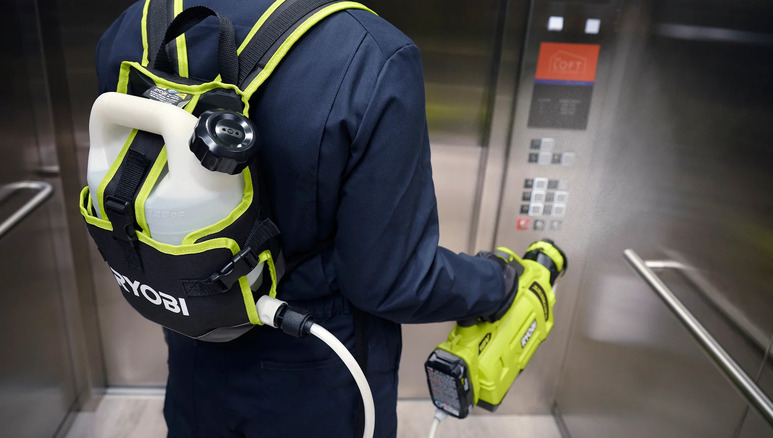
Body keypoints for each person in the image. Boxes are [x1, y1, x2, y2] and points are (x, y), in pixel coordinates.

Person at [95, 1, 516, 436]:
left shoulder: (140, 22)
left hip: (193, 334)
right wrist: (496, 282)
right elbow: (391, 280)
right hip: (316, 366)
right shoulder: (368, 53)